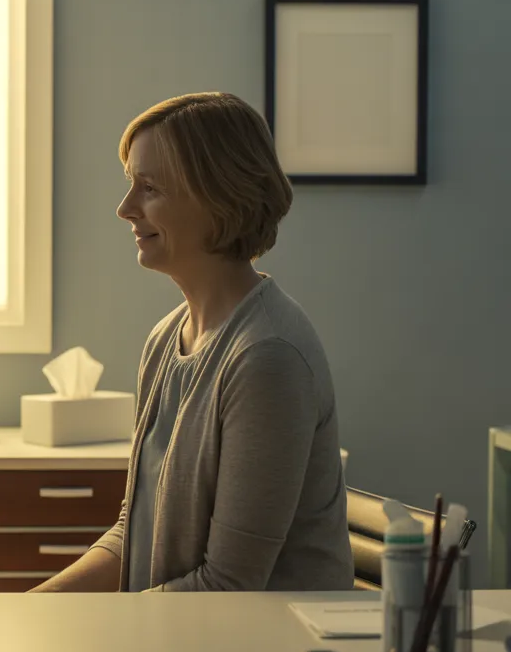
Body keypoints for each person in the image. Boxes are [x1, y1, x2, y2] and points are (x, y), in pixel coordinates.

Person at [31, 92, 352, 593]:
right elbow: (133, 531)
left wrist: (96, 625)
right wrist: (33, 607)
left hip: (253, 640)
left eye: (150, 188)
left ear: (219, 199)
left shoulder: (266, 358)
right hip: (178, 627)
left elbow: (228, 587)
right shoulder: (166, 339)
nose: (125, 209)